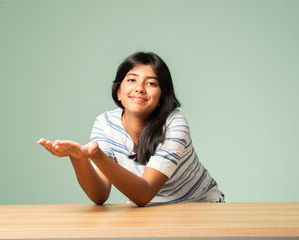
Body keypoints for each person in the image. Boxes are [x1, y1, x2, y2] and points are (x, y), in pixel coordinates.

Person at [38, 52, 224, 207]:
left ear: (161, 97)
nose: (140, 88)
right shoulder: (105, 123)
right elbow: (100, 195)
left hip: (198, 204)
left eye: (151, 83)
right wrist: (79, 158)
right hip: (148, 211)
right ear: (119, 92)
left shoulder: (174, 123)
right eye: (132, 80)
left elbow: (144, 193)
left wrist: (96, 155)